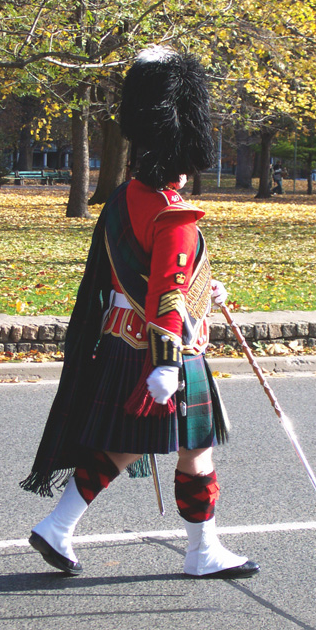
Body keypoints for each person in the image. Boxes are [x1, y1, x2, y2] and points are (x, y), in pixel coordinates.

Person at [20, 46, 259, 580]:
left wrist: (205, 284)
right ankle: (201, 552)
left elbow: (150, 274)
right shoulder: (175, 213)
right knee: (193, 449)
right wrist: (168, 363)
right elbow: (169, 295)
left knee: (133, 445)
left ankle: (59, 526)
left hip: (122, 340)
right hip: (165, 351)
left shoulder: (127, 196)